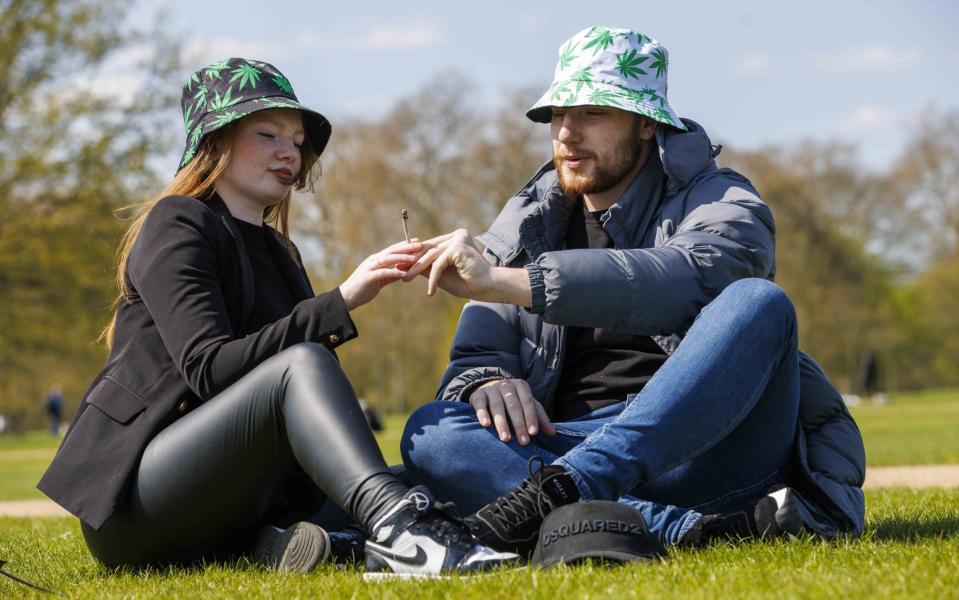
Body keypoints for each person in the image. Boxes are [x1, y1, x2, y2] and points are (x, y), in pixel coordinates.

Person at [37, 58, 516, 576]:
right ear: (213, 142)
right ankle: (401, 535)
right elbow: (210, 369)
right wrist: (342, 300)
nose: (290, 151)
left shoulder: (283, 254)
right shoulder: (177, 223)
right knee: (304, 365)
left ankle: (343, 539)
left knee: (429, 483)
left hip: (239, 502)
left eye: (296, 139)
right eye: (268, 134)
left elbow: (299, 419)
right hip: (139, 507)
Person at [399, 27, 866, 556]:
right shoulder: (526, 223)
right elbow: (477, 352)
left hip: (706, 448)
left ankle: (564, 496)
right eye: (557, 115)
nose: (566, 134)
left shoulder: (720, 196)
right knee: (432, 432)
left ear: (647, 124)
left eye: (593, 114)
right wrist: (486, 379)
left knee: (759, 303)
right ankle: (663, 525)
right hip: (570, 446)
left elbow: (695, 275)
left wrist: (516, 282)